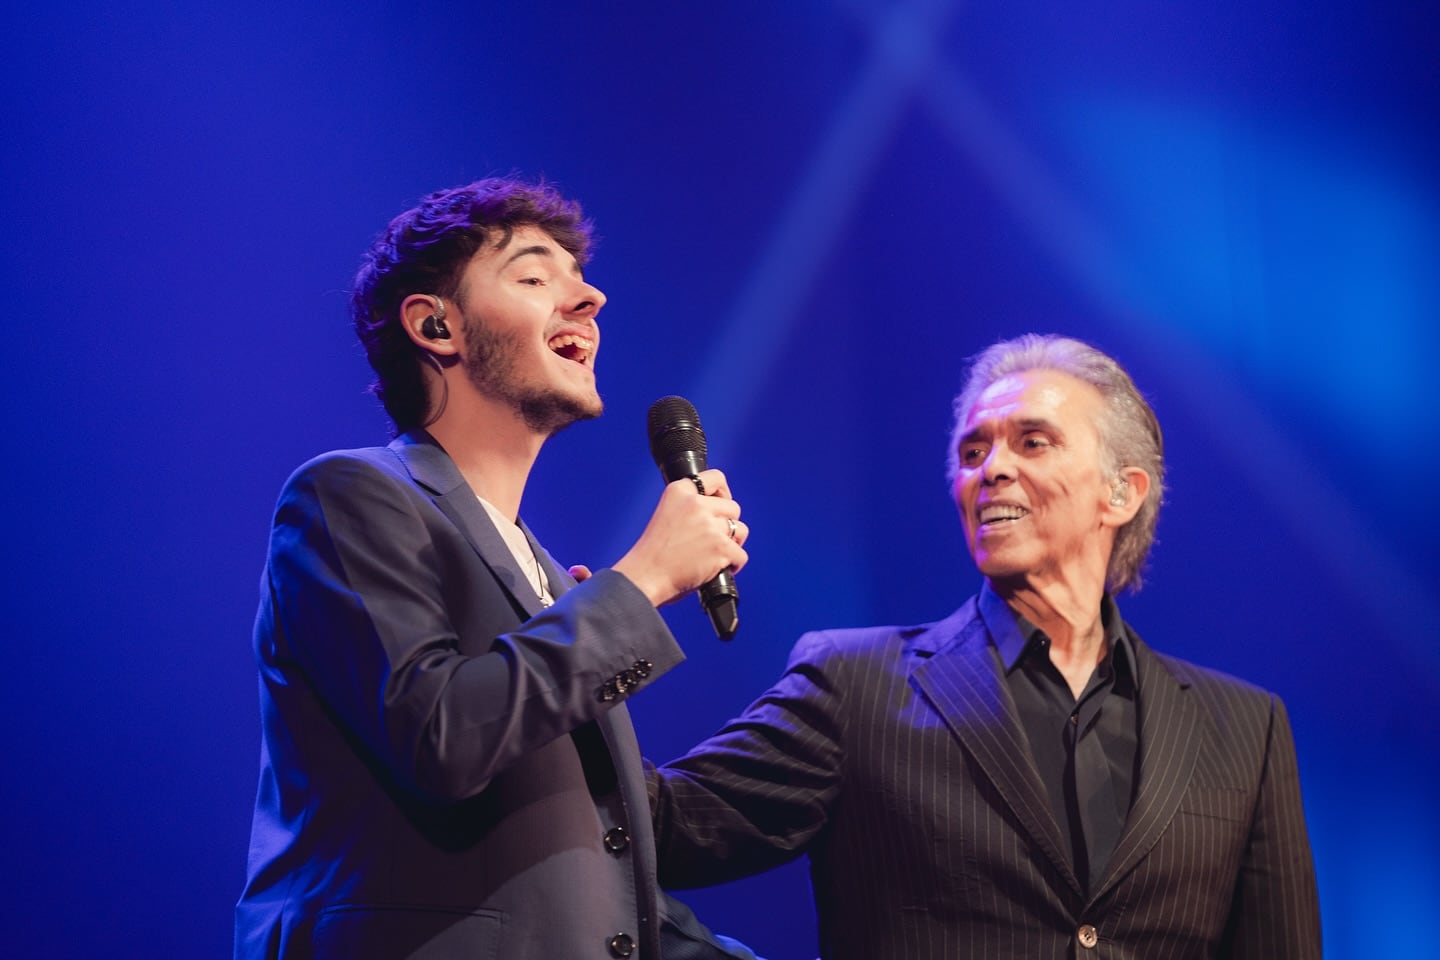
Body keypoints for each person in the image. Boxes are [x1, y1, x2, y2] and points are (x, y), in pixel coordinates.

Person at [649, 334, 1322, 959]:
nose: (992, 469)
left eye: (1033, 442)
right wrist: (597, 626)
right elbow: (654, 830)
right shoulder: (856, 685)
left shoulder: (1244, 729)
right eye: (974, 452)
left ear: (1121, 492)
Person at [235, 177, 760, 959]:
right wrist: (643, 580)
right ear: (436, 324)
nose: (592, 299)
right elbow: (439, 736)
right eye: (535, 276)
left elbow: (598, 873)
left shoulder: (544, 574)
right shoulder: (347, 495)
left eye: (580, 279)